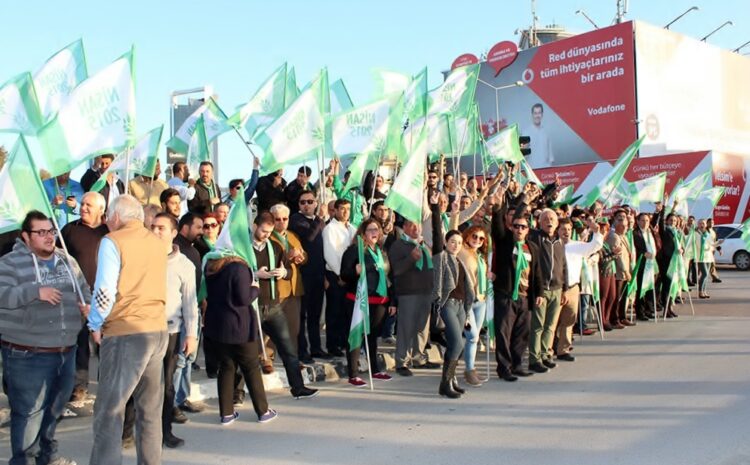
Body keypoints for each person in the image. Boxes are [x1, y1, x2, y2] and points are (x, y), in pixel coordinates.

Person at [0, 211, 90, 465]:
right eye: (41, 232)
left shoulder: (67, 261)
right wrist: (34, 292)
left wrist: (87, 307)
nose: (49, 237)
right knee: (29, 414)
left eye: (51, 231)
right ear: (26, 237)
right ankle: (24, 461)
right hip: (27, 353)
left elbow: (84, 291)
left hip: (65, 351)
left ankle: (47, 457)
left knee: (54, 411)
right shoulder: (10, 263)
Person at [87, 194, 169, 465]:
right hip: (157, 329)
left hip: (126, 330)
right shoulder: (157, 243)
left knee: (110, 411)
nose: (107, 221)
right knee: (150, 412)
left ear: (116, 217)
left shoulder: (113, 241)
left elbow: (104, 290)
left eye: (108, 216)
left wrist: (95, 323)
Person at [203, 247, 277, 425]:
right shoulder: (238, 268)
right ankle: (263, 411)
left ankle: (226, 413)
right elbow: (244, 298)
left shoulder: (211, 265)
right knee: (251, 368)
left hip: (219, 327)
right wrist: (255, 289)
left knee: (226, 368)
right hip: (240, 327)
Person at [250, 213, 318, 398]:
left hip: (273, 305)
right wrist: (255, 275)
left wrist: (284, 272)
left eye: (269, 232)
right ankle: (237, 392)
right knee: (247, 352)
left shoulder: (275, 246)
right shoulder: (244, 248)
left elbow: (289, 269)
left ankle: (298, 387)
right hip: (251, 306)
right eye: (263, 231)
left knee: (288, 348)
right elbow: (235, 272)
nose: (265, 235)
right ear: (254, 226)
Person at [59, 192, 109, 405]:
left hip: (104, 298)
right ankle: (79, 386)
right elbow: (57, 257)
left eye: (89, 205)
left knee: (106, 343)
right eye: (82, 204)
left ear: (101, 210)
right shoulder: (70, 230)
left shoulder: (109, 232)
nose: (83, 208)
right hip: (77, 298)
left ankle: (107, 384)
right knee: (80, 344)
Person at [490, 186, 543, 382]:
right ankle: (504, 368)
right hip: (506, 295)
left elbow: (537, 273)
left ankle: (517, 364)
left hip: (525, 297)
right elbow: (497, 226)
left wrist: (539, 293)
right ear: (511, 227)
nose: (519, 229)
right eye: (516, 226)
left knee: (521, 333)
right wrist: (498, 208)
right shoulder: (505, 242)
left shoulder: (532, 248)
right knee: (504, 333)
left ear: (528, 230)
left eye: (523, 227)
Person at [388, 192, 442, 376]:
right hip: (408, 293)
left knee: (422, 327)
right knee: (406, 328)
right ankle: (401, 361)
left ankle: (419, 357)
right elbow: (396, 270)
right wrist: (411, 259)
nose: (415, 229)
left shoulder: (423, 244)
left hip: (426, 292)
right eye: (411, 225)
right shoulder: (398, 246)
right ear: (404, 227)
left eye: (417, 225)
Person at [340, 218, 396, 387]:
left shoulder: (382, 252)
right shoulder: (354, 251)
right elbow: (344, 275)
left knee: (373, 337)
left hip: (380, 302)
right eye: (370, 229)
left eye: (377, 229)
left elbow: (389, 278)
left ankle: (375, 369)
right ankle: (353, 374)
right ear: (363, 233)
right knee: (356, 336)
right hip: (359, 300)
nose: (374, 232)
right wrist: (354, 271)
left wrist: (392, 301)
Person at [432, 228, 474, 398]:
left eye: (458, 242)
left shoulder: (460, 262)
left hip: (461, 306)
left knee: (455, 344)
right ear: (445, 243)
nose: (455, 245)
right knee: (457, 344)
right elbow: (437, 284)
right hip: (447, 304)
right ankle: (445, 382)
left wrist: (467, 311)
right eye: (452, 242)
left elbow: (466, 288)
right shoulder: (440, 258)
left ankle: (451, 380)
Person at [288, 190, 329, 362]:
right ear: (298, 205)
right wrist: (320, 218)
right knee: (302, 315)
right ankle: (302, 351)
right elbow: (310, 238)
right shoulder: (296, 220)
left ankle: (316, 348)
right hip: (303, 275)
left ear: (315, 203)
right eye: (303, 202)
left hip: (319, 274)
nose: (306, 205)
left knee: (315, 314)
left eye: (310, 201)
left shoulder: (319, 222)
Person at [526, 208, 568, 373]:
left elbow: (564, 266)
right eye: (545, 219)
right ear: (539, 222)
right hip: (541, 290)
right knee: (538, 326)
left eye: (552, 219)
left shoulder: (560, 243)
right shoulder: (535, 238)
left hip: (557, 290)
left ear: (557, 223)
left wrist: (564, 289)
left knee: (550, 325)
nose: (549, 221)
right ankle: (534, 359)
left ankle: (545, 355)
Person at [555, 217, 602, 360]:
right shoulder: (553, 245)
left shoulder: (577, 246)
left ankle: (563, 350)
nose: (566, 232)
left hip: (573, 288)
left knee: (569, 320)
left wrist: (596, 231)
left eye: (569, 229)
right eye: (563, 229)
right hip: (557, 288)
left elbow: (595, 245)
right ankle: (548, 350)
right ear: (557, 230)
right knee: (553, 321)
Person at [269, 204, 307, 358]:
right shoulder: (267, 237)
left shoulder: (292, 236)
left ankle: (292, 359)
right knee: (271, 328)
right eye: (277, 219)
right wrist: (288, 257)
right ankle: (267, 359)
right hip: (276, 288)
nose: (281, 222)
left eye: (284, 219)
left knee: (293, 327)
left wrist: (301, 257)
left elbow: (304, 256)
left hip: (294, 288)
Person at [458, 225, 493, 386]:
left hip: (481, 299)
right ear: (467, 236)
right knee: (472, 335)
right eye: (474, 236)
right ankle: (466, 369)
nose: (477, 240)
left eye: (481, 238)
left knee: (474, 338)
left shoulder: (480, 255)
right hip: (466, 300)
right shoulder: (461, 250)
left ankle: (470, 370)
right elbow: (452, 226)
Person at [322, 199, 357, 357]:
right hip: (336, 275)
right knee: (334, 311)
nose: (345, 212)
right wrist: (340, 274)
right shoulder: (330, 229)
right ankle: (332, 344)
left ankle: (344, 341)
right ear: (334, 211)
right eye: (342, 209)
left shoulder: (352, 228)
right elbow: (330, 254)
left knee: (347, 311)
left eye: (348, 209)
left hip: (350, 276)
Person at [607, 210, 633, 328]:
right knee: (617, 297)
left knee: (623, 296)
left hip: (625, 270)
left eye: (626, 224)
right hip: (618, 271)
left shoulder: (624, 236)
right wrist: (625, 271)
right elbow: (618, 257)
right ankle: (615, 319)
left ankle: (622, 316)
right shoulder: (614, 236)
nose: (624, 227)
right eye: (622, 224)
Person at [633, 212, 658, 321]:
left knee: (649, 288)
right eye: (642, 220)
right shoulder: (635, 233)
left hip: (651, 264)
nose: (645, 223)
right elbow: (634, 248)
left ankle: (649, 310)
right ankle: (640, 312)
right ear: (637, 221)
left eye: (647, 221)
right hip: (641, 264)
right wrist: (643, 253)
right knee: (641, 289)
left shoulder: (650, 232)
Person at [524, 103, 554, 168]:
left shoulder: (546, 132)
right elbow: (522, 158)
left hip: (545, 172)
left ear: (542, 114)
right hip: (532, 174)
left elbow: (550, 157)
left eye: (539, 113)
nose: (537, 116)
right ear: (532, 115)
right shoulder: (526, 133)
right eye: (535, 113)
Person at [696, 219, 718, 299]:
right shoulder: (696, 234)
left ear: (705, 225)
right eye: (700, 223)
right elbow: (697, 245)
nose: (702, 225)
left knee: (706, 275)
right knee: (704, 274)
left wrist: (718, 243)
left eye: (703, 223)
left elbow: (711, 244)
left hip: (708, 256)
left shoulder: (707, 234)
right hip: (700, 257)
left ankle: (704, 291)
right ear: (698, 225)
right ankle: (700, 292)